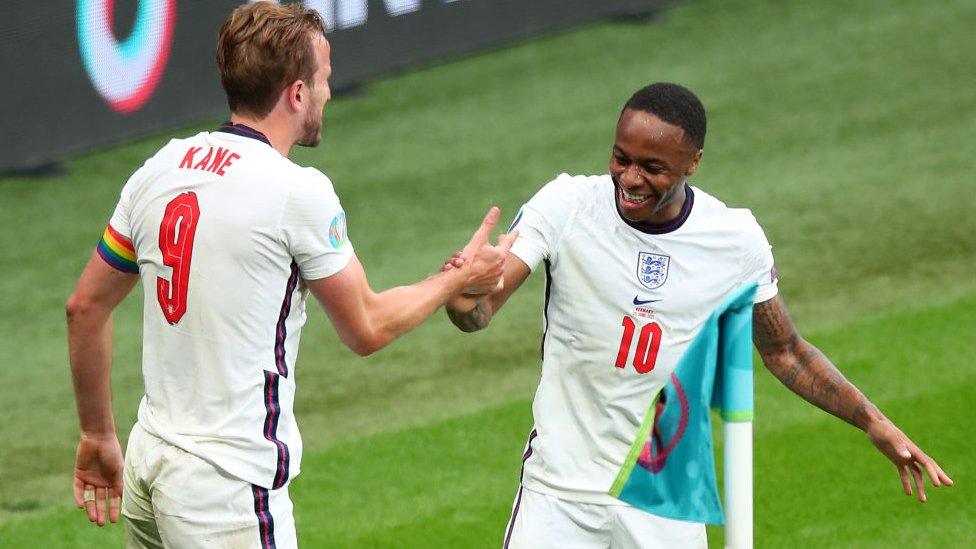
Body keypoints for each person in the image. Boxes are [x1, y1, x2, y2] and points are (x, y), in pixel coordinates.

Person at [66, 3, 513, 547]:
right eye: (323, 79)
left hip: (147, 464)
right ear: (296, 93)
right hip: (226, 487)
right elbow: (367, 328)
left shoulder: (160, 168)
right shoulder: (296, 191)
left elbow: (85, 307)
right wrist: (455, 279)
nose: (327, 91)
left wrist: (95, 433)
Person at [444, 82, 953, 548]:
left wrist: (872, 421)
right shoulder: (566, 205)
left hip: (664, 499)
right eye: (620, 158)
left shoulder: (734, 239)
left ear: (693, 163)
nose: (630, 178)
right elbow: (480, 312)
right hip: (559, 494)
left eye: (653, 167)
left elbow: (785, 351)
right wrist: (460, 295)